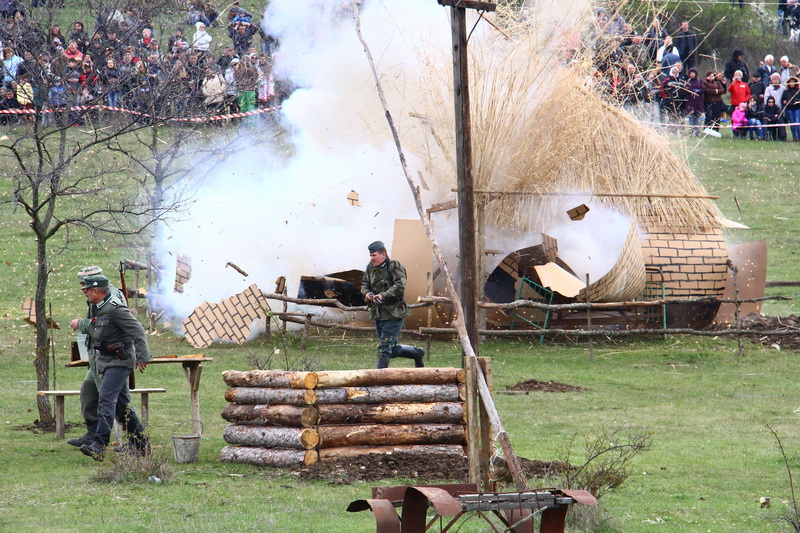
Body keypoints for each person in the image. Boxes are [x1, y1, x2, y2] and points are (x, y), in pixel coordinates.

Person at [75, 274, 151, 461]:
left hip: (120, 362)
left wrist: (142, 357)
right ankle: (142, 446)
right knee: (121, 407)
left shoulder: (116, 310)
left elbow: (138, 331)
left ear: (96, 291)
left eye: (88, 290)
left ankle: (99, 445)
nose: (85, 293)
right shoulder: (97, 308)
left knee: (106, 400)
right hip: (106, 362)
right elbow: (96, 331)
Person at [66, 266, 126, 448]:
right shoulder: (98, 296)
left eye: (85, 284)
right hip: (98, 357)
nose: (83, 289)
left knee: (115, 402)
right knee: (89, 392)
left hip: (111, 357)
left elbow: (103, 324)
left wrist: (81, 323)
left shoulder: (110, 298)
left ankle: (129, 440)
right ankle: (93, 434)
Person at [360, 241, 424, 369]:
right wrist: (367, 294)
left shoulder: (394, 265)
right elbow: (364, 284)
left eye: (374, 255)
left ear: (383, 254)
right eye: (371, 256)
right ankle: (417, 353)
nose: (371, 258)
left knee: (384, 347)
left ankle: (379, 380)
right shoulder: (370, 267)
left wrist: (383, 295)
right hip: (379, 313)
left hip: (394, 312)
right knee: (392, 349)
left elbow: (400, 285)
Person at [782, 76, 800, 140]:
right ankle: (794, 137)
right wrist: (784, 101)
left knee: (797, 123)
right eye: (790, 82)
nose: (792, 84)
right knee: (792, 123)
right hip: (789, 109)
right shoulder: (786, 92)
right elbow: (783, 99)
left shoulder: (798, 91)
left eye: (793, 82)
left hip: (797, 108)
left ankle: (799, 137)